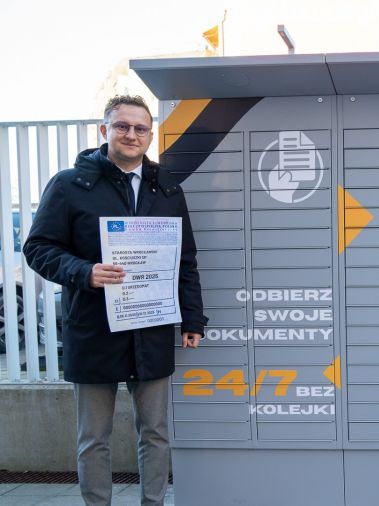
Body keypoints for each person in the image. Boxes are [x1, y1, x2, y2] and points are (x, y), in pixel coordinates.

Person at [24, 95, 207, 506]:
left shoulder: (167, 189)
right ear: (105, 130)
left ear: (150, 135)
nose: (131, 134)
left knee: (155, 433)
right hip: (94, 329)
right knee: (94, 438)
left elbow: (185, 259)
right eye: (122, 126)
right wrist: (83, 271)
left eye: (140, 128)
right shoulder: (69, 185)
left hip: (151, 327)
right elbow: (37, 248)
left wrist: (193, 318)